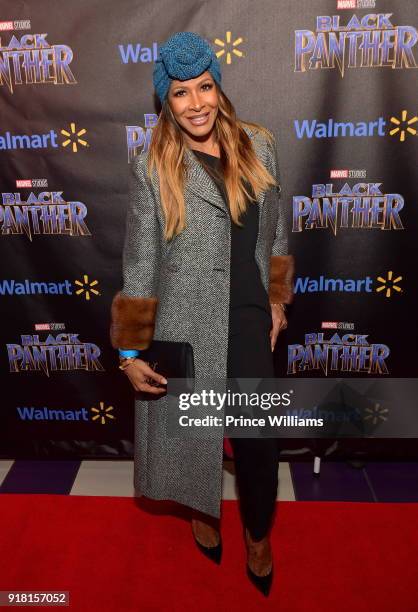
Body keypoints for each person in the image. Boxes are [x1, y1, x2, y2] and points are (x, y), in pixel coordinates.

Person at [110, 31, 294, 596]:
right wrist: (128, 351)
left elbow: (276, 230)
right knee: (193, 440)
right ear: (166, 102)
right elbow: (141, 259)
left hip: (245, 320)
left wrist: (277, 297)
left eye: (205, 87)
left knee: (259, 444)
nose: (197, 104)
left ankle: (258, 536)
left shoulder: (259, 145)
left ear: (219, 87)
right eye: (182, 93)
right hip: (185, 324)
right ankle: (199, 507)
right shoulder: (153, 166)